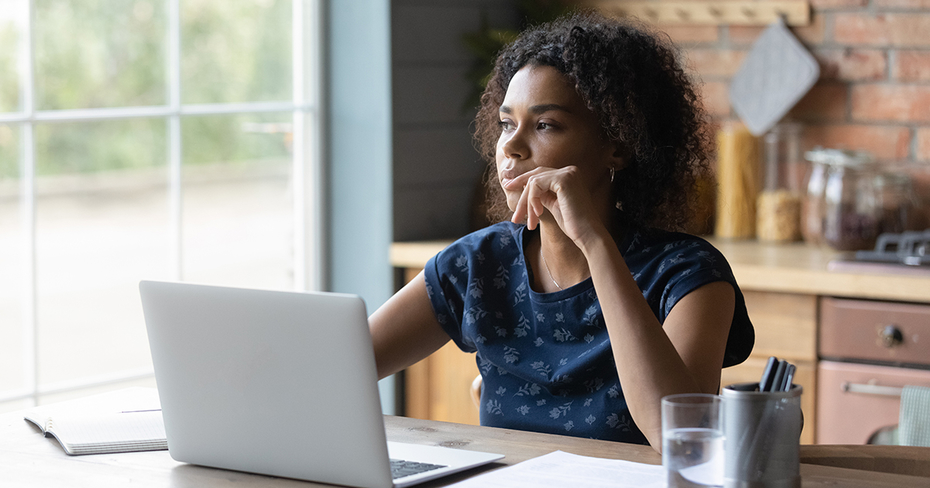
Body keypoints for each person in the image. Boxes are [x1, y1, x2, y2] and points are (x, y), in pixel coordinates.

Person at [370, 10, 753, 452]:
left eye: (545, 124)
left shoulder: (688, 275)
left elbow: (680, 442)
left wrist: (594, 242)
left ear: (618, 145)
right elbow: (334, 368)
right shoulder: (478, 263)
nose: (511, 146)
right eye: (507, 123)